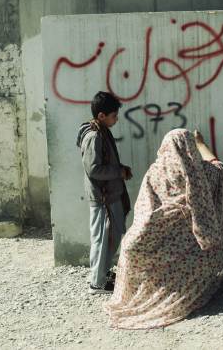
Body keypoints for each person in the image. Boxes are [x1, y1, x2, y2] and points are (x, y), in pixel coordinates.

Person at [104, 129, 223, 329]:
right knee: (205, 246)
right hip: (194, 246)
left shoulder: (154, 172)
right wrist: (201, 143)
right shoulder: (202, 173)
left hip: (152, 239)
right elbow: (221, 169)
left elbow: (144, 210)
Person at [76, 91, 133, 294]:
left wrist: (120, 169)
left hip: (110, 194)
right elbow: (94, 169)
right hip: (103, 197)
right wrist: (119, 171)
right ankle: (97, 283)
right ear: (101, 116)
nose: (116, 119)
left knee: (113, 235)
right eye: (113, 116)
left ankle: (102, 273)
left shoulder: (101, 130)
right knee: (102, 238)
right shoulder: (93, 135)